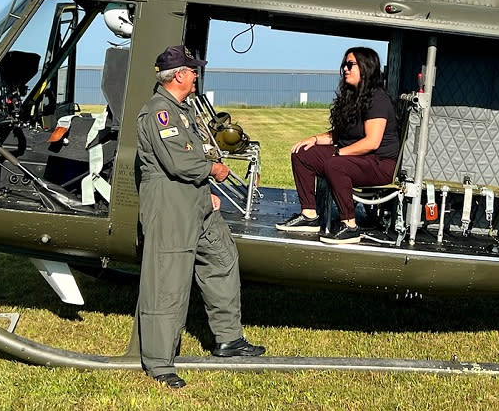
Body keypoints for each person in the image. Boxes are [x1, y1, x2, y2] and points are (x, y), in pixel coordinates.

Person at [135, 45, 265, 389]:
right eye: (192, 71)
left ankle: (228, 339)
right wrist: (214, 170)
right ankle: (160, 362)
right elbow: (179, 162)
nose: (196, 76)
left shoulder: (181, 110)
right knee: (169, 283)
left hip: (195, 200)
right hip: (170, 206)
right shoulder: (159, 113)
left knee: (222, 257)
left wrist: (205, 190)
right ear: (179, 75)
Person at [276, 46, 399, 245]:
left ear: (366, 68)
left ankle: (350, 226)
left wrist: (338, 154)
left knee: (335, 165)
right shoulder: (353, 97)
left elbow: (371, 142)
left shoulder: (377, 99)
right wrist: (315, 139)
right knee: (303, 154)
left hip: (380, 163)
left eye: (350, 64)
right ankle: (309, 215)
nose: (345, 69)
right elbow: (341, 135)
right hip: (359, 158)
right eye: (344, 65)